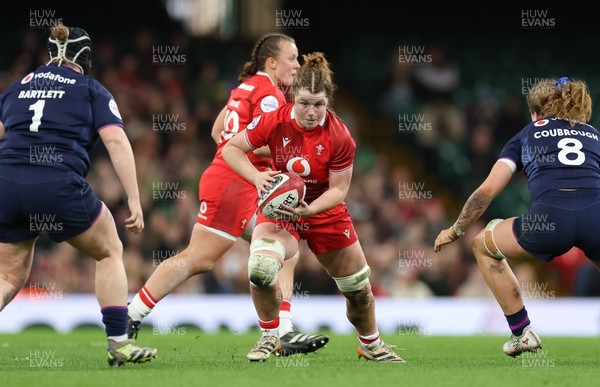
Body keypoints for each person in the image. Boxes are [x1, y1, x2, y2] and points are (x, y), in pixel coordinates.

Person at [127, 32, 329, 356]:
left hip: (237, 178)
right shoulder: (269, 94)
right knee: (200, 258)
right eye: (292, 57)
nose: (297, 64)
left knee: (284, 248)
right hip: (236, 182)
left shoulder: (243, 88)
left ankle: (283, 331)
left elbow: (218, 131)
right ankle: (131, 313)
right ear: (272, 61)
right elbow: (263, 141)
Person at [222, 52, 405, 362]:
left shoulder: (340, 135)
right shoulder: (274, 120)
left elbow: (339, 190)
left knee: (359, 290)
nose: (311, 111)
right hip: (281, 205)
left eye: (318, 104)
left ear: (328, 102)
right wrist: (256, 177)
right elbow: (232, 148)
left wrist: (308, 210)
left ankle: (371, 345)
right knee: (261, 269)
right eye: (304, 102)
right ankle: (270, 336)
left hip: (323, 209)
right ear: (293, 96)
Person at [0, 24, 157, 367]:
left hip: (6, 184)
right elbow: (115, 141)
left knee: (8, 277)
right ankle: (119, 343)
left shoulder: (17, 87)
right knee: (109, 251)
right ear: (85, 58)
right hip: (55, 184)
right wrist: (133, 197)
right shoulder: (90, 88)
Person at [434, 77, 600, 357]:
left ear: (535, 112)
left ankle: (522, 332)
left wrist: (455, 230)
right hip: (595, 217)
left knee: (482, 246)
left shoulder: (528, 133)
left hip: (550, 221)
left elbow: (485, 192)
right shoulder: (593, 135)